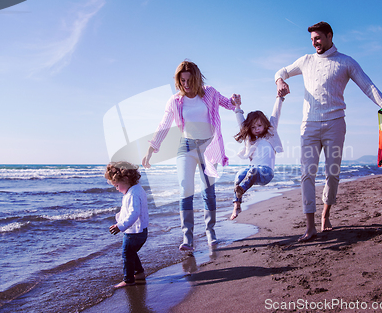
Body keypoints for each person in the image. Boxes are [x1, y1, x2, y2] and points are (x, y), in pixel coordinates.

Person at [275, 21, 382, 242]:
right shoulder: (305, 61)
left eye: (318, 38)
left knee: (332, 174)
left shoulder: (345, 62)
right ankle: (310, 226)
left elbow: (368, 86)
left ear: (329, 36)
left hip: (335, 124)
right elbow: (283, 71)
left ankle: (325, 214)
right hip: (309, 125)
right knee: (306, 174)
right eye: (312, 40)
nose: (315, 43)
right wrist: (280, 81)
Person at [142, 60, 239, 251]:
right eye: (182, 80)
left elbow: (228, 103)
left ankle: (210, 232)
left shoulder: (209, 92)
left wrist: (235, 100)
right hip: (186, 147)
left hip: (209, 147)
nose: (186, 84)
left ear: (196, 78)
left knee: (208, 192)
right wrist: (150, 150)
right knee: (185, 190)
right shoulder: (175, 101)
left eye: (189, 80)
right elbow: (163, 125)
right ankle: (188, 238)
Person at [229, 92, 287, 220]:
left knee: (253, 170)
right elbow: (240, 121)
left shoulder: (271, 133)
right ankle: (237, 205)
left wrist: (280, 98)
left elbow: (276, 113)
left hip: (266, 173)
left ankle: (242, 189)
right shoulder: (250, 138)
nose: (257, 129)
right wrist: (237, 106)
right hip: (252, 172)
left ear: (265, 124)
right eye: (253, 127)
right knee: (239, 174)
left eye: (259, 126)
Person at [105, 161, 149, 289]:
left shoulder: (133, 194)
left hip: (134, 232)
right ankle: (139, 273)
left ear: (125, 179)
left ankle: (128, 279)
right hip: (141, 231)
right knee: (131, 252)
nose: (117, 189)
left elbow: (134, 214)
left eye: (117, 185)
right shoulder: (137, 189)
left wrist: (120, 226)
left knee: (127, 254)